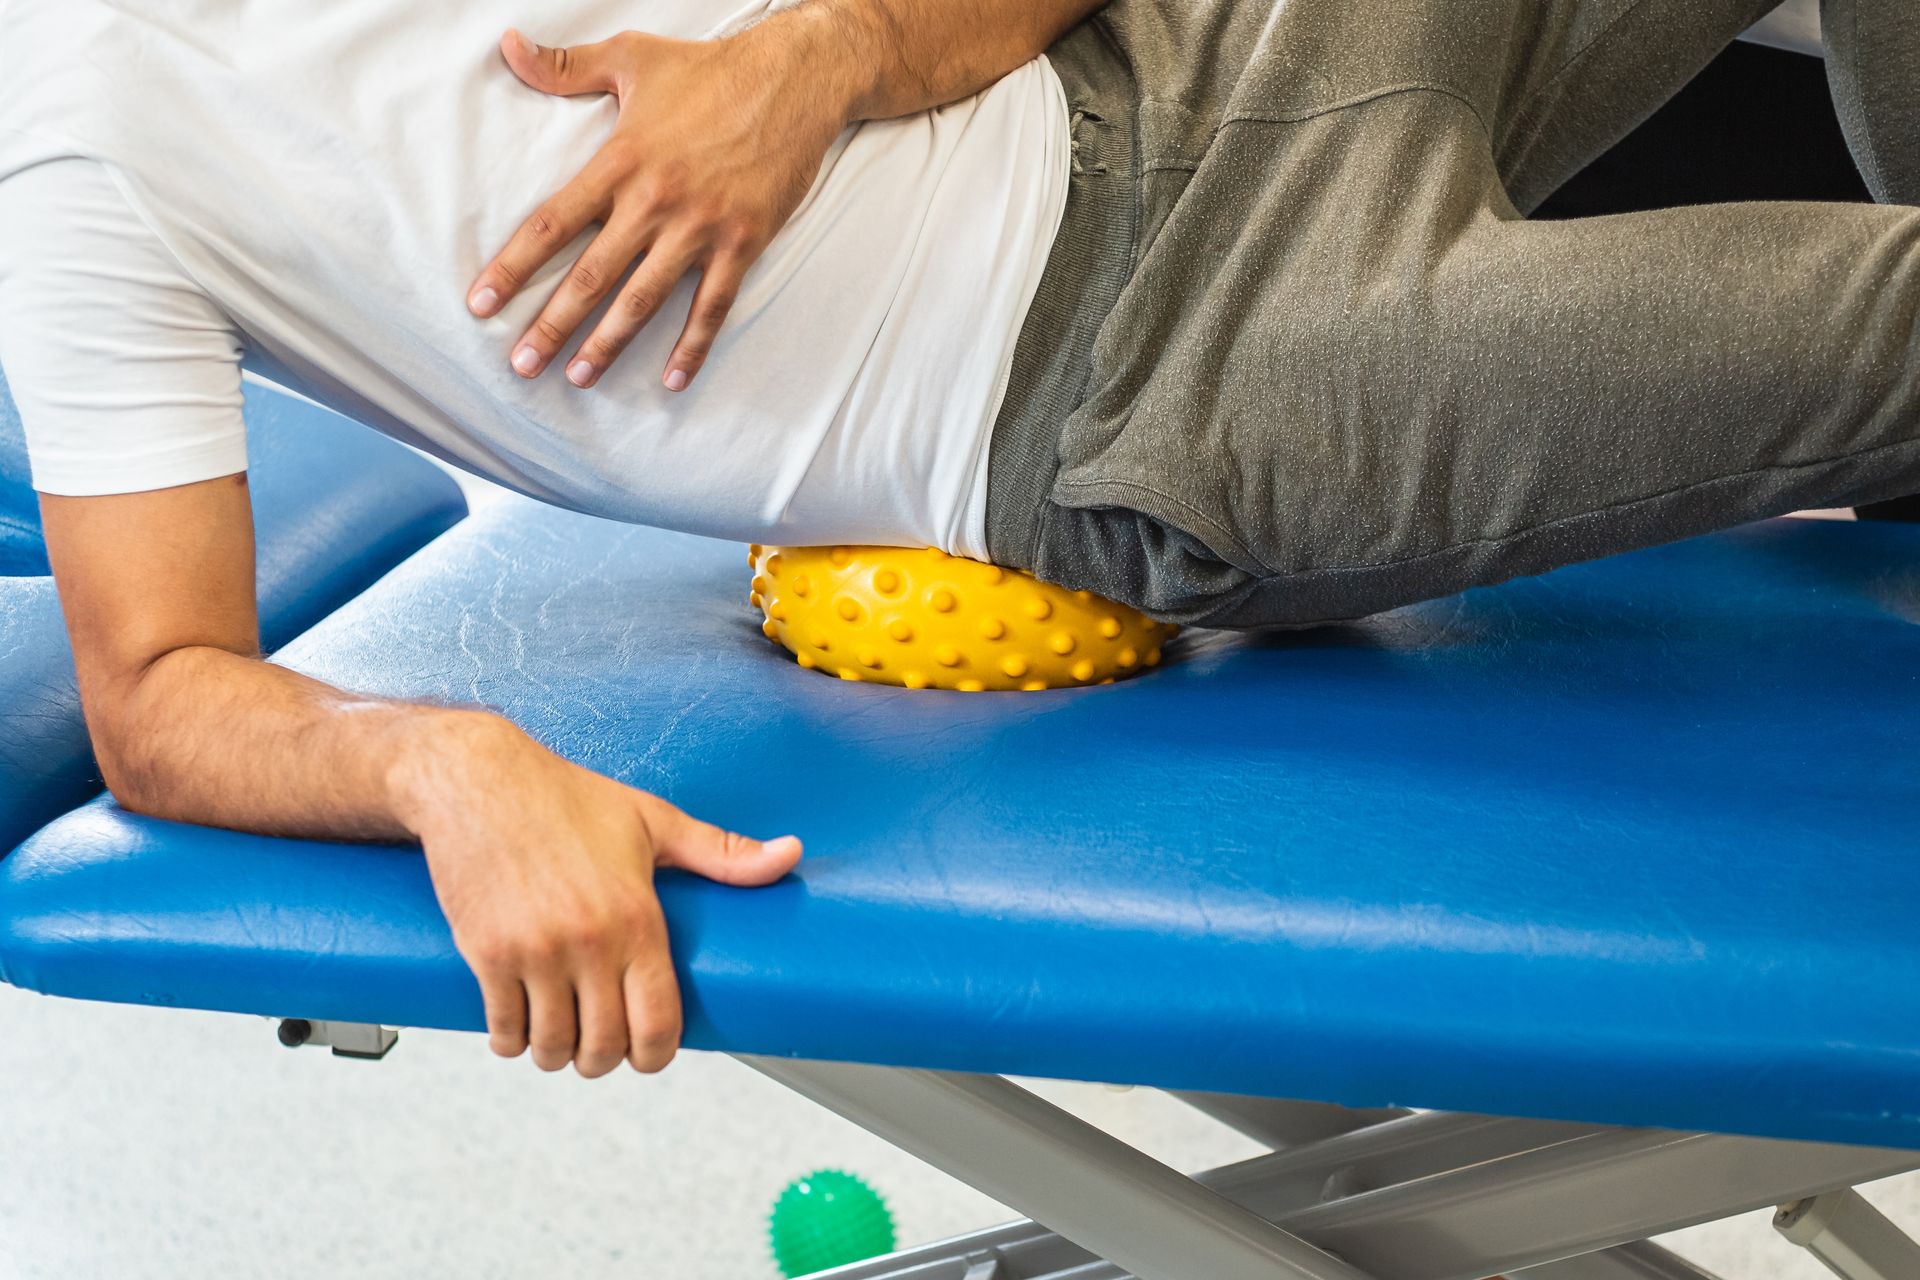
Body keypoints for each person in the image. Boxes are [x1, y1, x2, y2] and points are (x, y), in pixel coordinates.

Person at [1, 0, 1915, 1075]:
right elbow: (163, 693)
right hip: (1163, 388)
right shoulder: (81, 141)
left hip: (1207, 44)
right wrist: (438, 761)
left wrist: (831, 49)